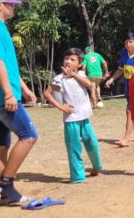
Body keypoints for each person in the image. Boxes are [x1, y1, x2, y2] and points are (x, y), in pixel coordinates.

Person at [0, 0, 39, 204]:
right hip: (1, 98)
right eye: (10, 3)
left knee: (1, 145)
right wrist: (8, 94)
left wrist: (23, 88)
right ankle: (5, 182)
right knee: (29, 135)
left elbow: (8, 66)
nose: (13, 6)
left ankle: (7, 193)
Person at [43, 48, 103, 183]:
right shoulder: (59, 79)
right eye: (66, 59)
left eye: (72, 59)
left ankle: (96, 167)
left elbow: (89, 85)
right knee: (74, 147)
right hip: (71, 120)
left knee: (92, 143)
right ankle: (78, 176)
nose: (68, 61)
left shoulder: (81, 74)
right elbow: (47, 94)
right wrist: (60, 106)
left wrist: (74, 75)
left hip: (85, 118)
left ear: (79, 64)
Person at [105, 33, 134, 147]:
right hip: (129, 89)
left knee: (129, 111)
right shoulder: (123, 54)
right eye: (126, 42)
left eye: (130, 42)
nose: (128, 44)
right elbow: (120, 70)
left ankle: (126, 139)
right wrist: (112, 79)